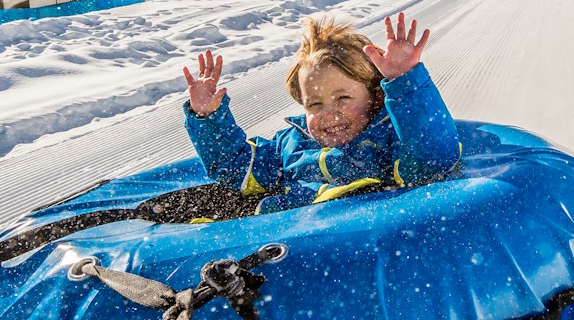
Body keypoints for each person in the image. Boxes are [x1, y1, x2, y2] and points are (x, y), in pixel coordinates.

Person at [182, 13, 461, 213]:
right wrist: (209, 119)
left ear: (374, 97)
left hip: (353, 252)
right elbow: (236, 170)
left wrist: (405, 81)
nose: (329, 114)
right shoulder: (289, 146)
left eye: (342, 98)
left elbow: (433, 162)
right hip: (283, 257)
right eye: (314, 104)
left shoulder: (389, 141)